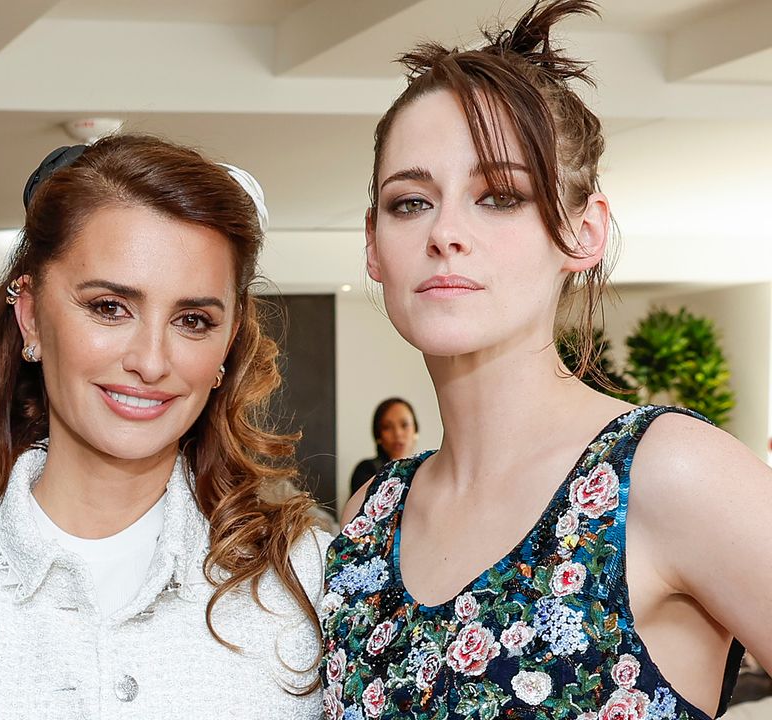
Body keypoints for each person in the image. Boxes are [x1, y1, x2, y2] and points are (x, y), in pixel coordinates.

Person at [320, 2, 772, 719]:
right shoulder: (369, 518)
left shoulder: (669, 474)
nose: (446, 233)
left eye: (499, 197)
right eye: (410, 202)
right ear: (372, 244)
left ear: (582, 232)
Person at [0, 134, 329, 718]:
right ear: (32, 315)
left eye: (193, 320)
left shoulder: (309, 579)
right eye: (110, 308)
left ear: (228, 345)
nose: (152, 360)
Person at [348, 397, 419, 496]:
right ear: (378, 435)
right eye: (387, 427)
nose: (397, 433)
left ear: (415, 431)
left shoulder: (425, 470)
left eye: (404, 425)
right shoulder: (367, 470)